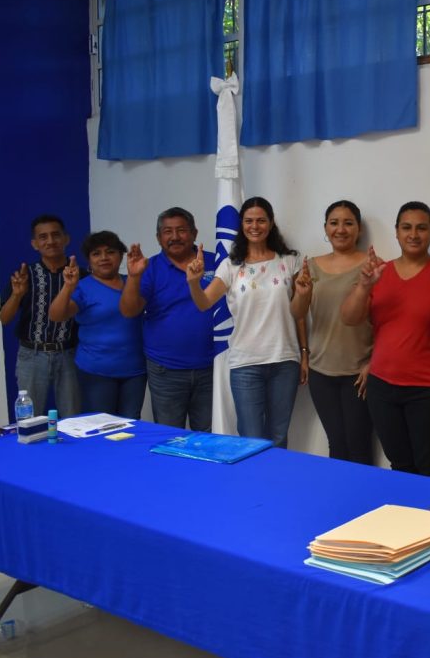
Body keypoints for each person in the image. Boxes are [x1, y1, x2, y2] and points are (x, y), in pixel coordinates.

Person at [341, 202, 430, 479]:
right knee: (400, 468)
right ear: (397, 233)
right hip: (383, 387)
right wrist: (364, 286)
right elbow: (349, 318)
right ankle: (407, 523)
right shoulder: (378, 272)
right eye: (406, 227)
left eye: (422, 228)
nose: (413, 234)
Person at [186, 197, 309, 446]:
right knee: (250, 438)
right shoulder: (230, 266)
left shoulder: (289, 261)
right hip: (245, 364)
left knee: (278, 436)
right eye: (249, 221)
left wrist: (305, 297)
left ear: (271, 223)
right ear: (241, 224)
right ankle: (254, 484)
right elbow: (204, 303)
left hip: (284, 360)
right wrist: (193, 282)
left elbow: (298, 313)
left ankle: (275, 482)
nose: (255, 226)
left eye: (261, 220)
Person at [120, 207, 215, 430]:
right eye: (167, 231)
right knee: (170, 438)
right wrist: (134, 277)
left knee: (211, 439)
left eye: (181, 230)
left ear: (194, 233)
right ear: (158, 237)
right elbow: (129, 311)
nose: (174, 237)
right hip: (166, 370)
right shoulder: (149, 268)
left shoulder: (215, 262)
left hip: (212, 368)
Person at [295, 200, 374, 464]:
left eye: (348, 223)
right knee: (337, 444)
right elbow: (297, 313)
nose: (341, 229)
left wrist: (374, 362)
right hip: (321, 372)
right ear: (325, 228)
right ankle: (344, 503)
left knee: (359, 443)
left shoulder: (372, 266)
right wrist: (303, 294)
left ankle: (367, 503)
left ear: (359, 229)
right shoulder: (311, 265)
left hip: (358, 371)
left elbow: (387, 320)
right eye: (334, 223)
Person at [48, 231, 146, 418]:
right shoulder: (83, 287)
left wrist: (135, 276)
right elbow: (56, 315)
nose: (104, 258)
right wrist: (68, 286)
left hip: (135, 371)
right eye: (96, 254)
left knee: (132, 426)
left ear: (121, 255)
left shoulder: (132, 281)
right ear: (89, 260)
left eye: (110, 252)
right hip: (96, 371)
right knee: (101, 427)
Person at [0, 215, 83, 418]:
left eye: (56, 235)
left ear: (66, 239)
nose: (50, 241)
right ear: (35, 244)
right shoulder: (24, 275)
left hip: (69, 354)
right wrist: (17, 294)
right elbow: (4, 318)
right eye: (43, 237)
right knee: (29, 419)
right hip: (32, 354)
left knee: (73, 419)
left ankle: (69, 452)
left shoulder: (82, 275)